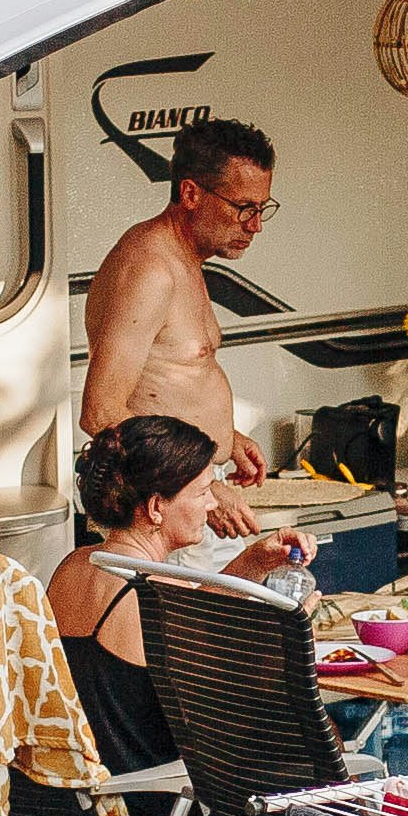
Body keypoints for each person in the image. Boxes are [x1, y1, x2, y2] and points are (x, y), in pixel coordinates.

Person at [45, 413, 304, 776]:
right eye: (202, 493)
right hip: (159, 808)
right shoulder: (157, 592)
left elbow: (190, 614)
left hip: (90, 797)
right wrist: (293, 623)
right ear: (155, 507)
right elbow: (237, 704)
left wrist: (253, 562)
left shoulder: (72, 568)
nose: (212, 505)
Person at [80, 115, 280, 539]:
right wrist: (203, 486)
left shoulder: (184, 257)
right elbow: (100, 410)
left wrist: (228, 438)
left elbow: (166, 382)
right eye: (243, 207)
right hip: (162, 508)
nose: (255, 225)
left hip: (185, 494)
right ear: (190, 193)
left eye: (262, 208)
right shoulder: (150, 268)